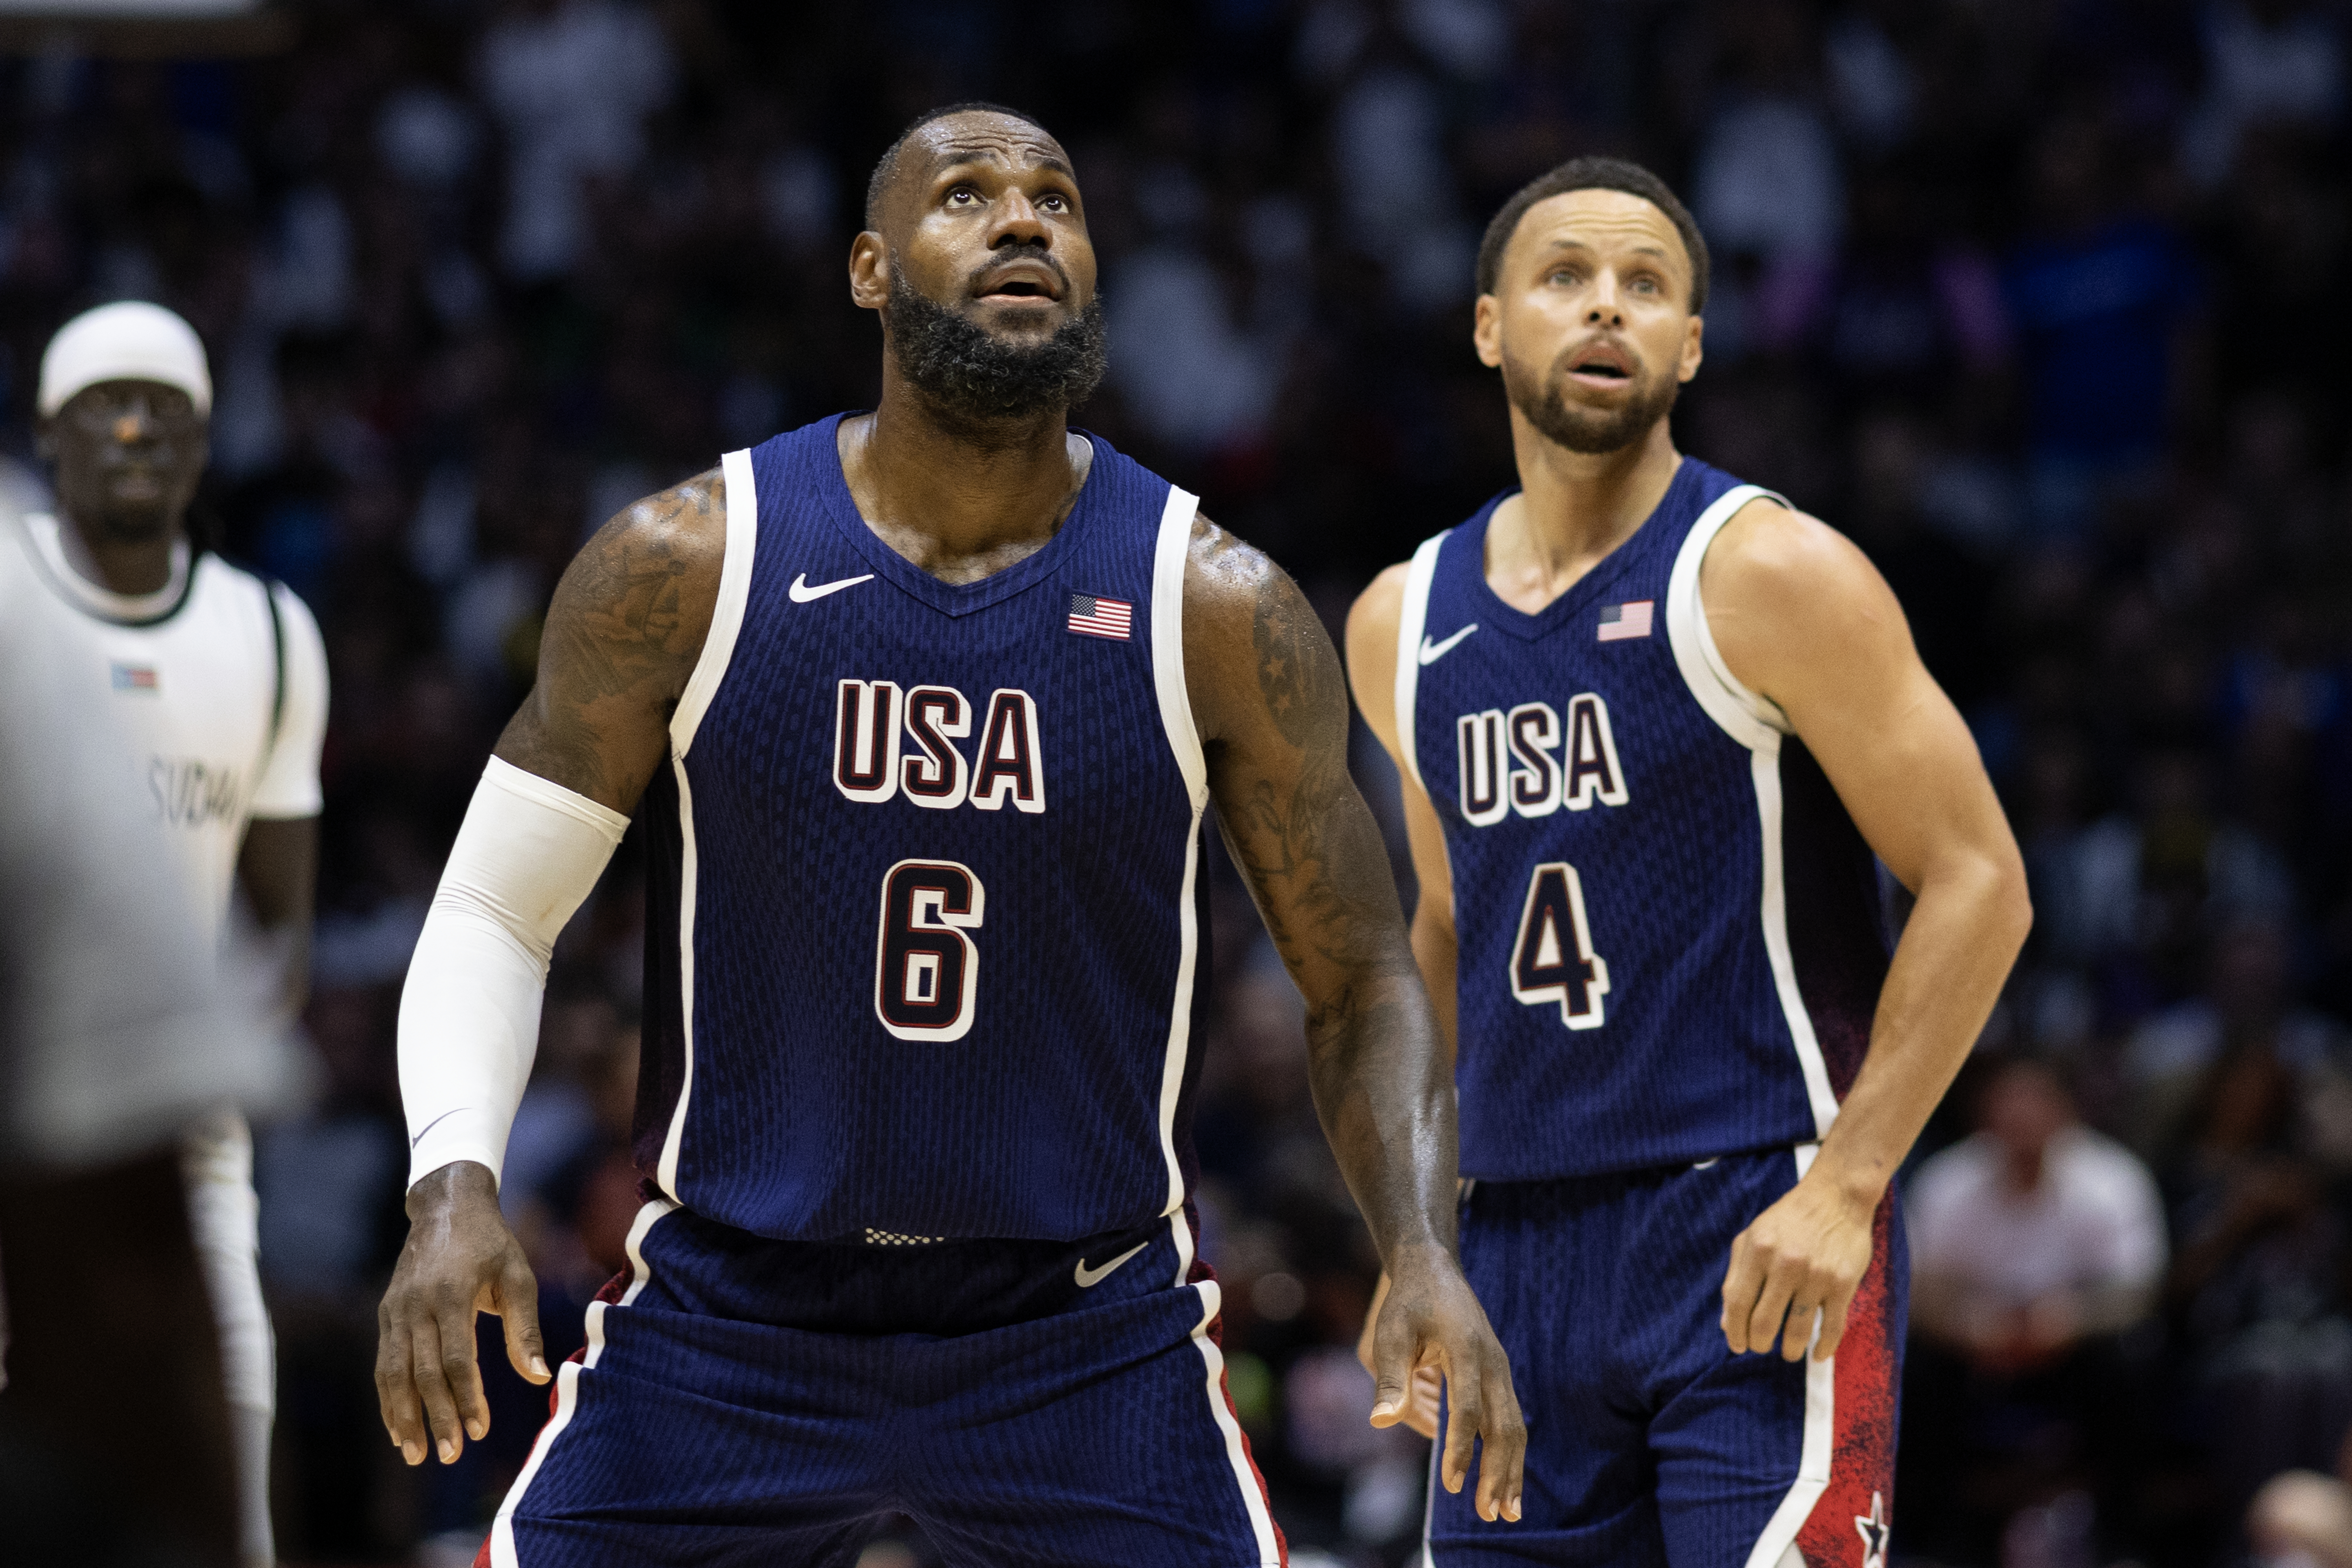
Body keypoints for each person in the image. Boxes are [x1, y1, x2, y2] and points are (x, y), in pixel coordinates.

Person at [376, 102, 1524, 1566]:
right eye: (967, 194)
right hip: (734, 1312)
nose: (1025, 218)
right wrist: (454, 1182)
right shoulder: (686, 563)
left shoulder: (1215, 606)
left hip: (1083, 1329)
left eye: (1058, 196)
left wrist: (1419, 1247)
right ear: (869, 267)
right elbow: (492, 911)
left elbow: (1360, 972)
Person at [1346, 157, 2031, 1566]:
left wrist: (1848, 1187)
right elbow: (1438, 932)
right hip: (1516, 1246)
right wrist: (1415, 1239)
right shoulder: (1399, 622)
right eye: (1567, 279)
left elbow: (1980, 880)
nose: (1608, 309)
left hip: (1754, 1214)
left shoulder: (1772, 574)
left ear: (1693, 347)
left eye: (1646, 287)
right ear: (1489, 326)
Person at [3, 300, 328, 1568]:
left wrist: (200, 1066)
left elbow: (281, 927)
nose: (135, 427)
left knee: (226, 1443)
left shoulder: (269, 635)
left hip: (175, 1130)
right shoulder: (17, 605)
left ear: (203, 449)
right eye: (103, 404)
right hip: (18, 1111)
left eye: (166, 410)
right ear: (49, 434)